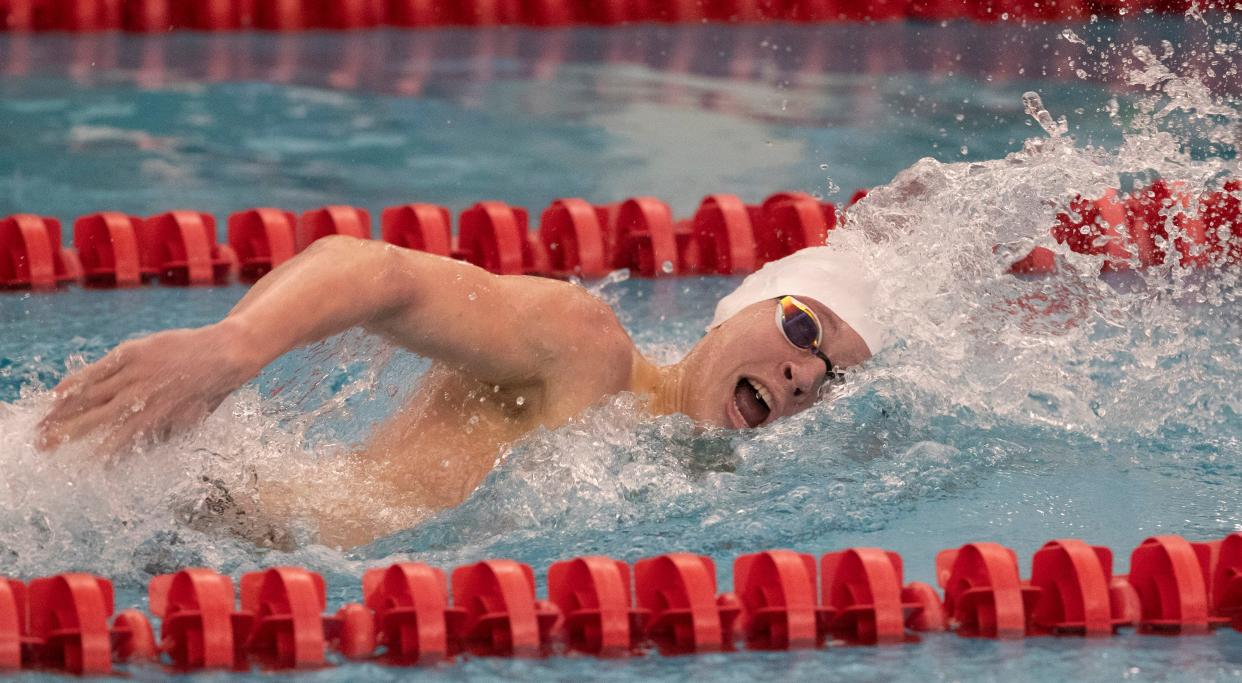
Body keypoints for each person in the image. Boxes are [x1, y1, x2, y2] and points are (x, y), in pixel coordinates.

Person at [35, 235, 883, 547]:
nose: (807, 371)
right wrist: (231, 347)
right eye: (804, 329)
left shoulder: (697, 487)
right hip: (192, 517)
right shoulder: (588, 349)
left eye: (831, 376)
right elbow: (379, 271)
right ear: (732, 312)